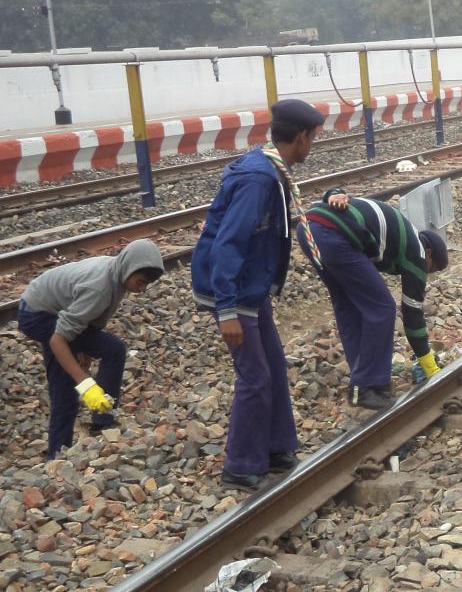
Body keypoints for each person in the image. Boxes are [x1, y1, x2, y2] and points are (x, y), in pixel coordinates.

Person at [192, 98, 325, 490]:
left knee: (274, 364)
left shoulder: (270, 168)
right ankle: (240, 465)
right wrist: (227, 310)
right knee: (255, 376)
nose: (312, 146)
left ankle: (276, 447)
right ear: (301, 137)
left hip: (251, 286)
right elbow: (228, 243)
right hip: (233, 290)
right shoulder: (259, 179)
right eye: (313, 138)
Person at [300, 189, 450, 409]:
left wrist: (334, 193)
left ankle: (364, 382)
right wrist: (429, 365)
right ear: (429, 253)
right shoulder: (417, 252)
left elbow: (337, 201)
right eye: (431, 268)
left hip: (309, 229)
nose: (425, 274)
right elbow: (412, 313)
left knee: (350, 307)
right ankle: (366, 385)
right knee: (382, 308)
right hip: (333, 233)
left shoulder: (401, 236)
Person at [18, 240, 164, 460]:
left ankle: (60, 451)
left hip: (53, 309)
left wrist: (82, 349)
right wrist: (86, 385)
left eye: (147, 285)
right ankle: (99, 424)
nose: (142, 289)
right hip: (36, 315)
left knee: (66, 383)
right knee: (109, 352)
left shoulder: (117, 273)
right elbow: (58, 340)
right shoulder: (99, 287)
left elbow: (89, 319)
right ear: (129, 269)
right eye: (141, 282)